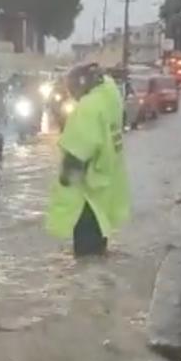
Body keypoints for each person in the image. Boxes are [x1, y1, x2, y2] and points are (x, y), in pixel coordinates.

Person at [45, 62, 130, 257]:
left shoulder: (89, 108)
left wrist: (66, 175)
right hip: (106, 185)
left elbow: (79, 149)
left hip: (88, 194)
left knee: (86, 254)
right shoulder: (111, 96)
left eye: (72, 88)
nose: (72, 94)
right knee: (98, 248)